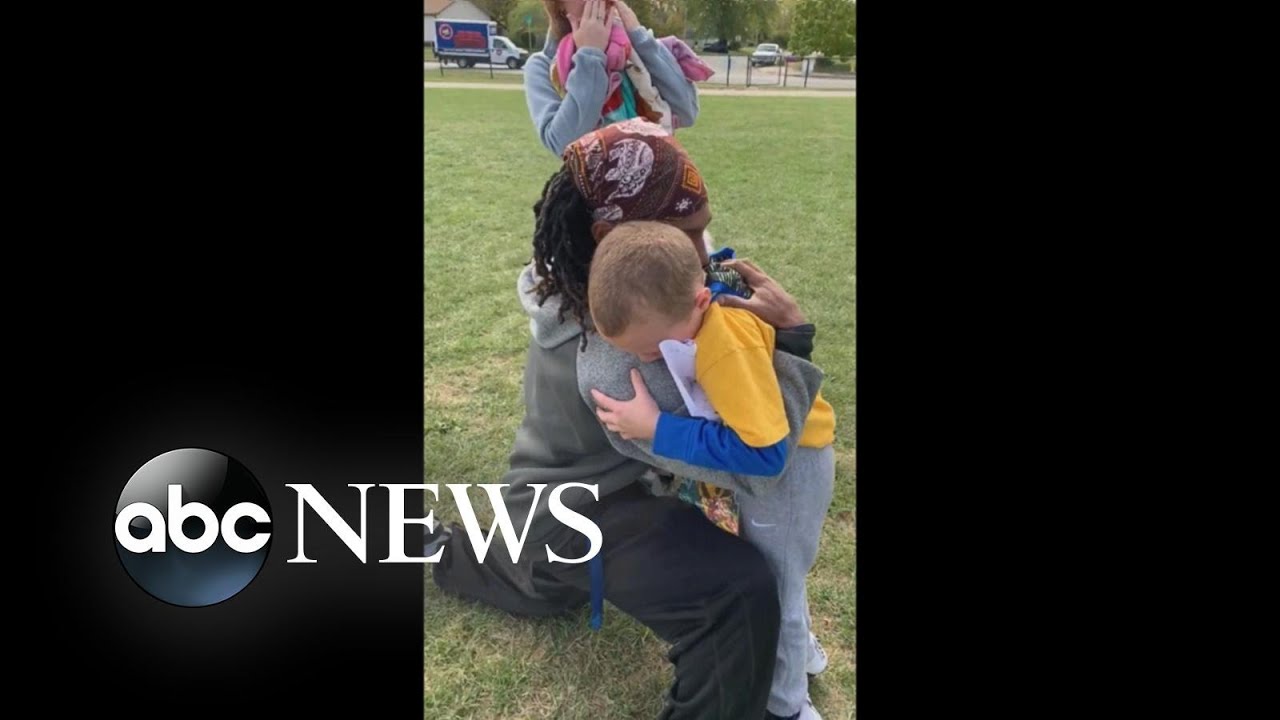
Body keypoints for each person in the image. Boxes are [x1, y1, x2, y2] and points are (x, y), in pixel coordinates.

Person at [427, 119, 828, 720]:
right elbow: (760, 453)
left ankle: (438, 544)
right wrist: (791, 341)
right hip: (571, 513)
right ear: (609, 233)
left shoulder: (605, 290)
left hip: (591, 495)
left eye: (703, 230)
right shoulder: (621, 354)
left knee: (519, 577)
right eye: (685, 233)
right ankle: (432, 544)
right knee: (735, 591)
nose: (701, 254)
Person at [586, 221, 835, 720]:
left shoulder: (725, 349)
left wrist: (656, 428)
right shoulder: (705, 303)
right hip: (788, 466)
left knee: (778, 591)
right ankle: (805, 656)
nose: (644, 358)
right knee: (785, 572)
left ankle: (787, 706)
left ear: (698, 304)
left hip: (788, 478)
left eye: (652, 348)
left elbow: (765, 456)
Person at [525, 0, 711, 156]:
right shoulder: (543, 66)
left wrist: (641, 40)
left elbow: (687, 113)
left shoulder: (637, 48)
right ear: (558, 6)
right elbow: (563, 144)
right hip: (594, 196)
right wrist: (590, 55)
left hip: (659, 186)